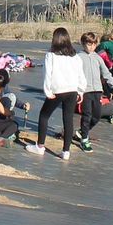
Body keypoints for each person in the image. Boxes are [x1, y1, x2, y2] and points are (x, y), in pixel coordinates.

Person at [25, 28, 84, 160]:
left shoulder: (51, 55)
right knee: (68, 119)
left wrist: (47, 91)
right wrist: (81, 91)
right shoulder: (75, 56)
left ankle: (40, 147)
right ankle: (66, 151)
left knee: (44, 115)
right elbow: (80, 74)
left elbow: (48, 74)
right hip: (72, 90)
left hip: (58, 90)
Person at [74, 32, 113, 152]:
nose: (91, 47)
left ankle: (82, 131)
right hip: (85, 90)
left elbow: (106, 73)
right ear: (83, 44)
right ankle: (84, 140)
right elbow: (73, 74)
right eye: (88, 44)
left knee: (96, 115)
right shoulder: (78, 57)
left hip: (97, 90)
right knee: (87, 114)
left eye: (93, 44)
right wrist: (77, 90)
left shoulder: (97, 57)